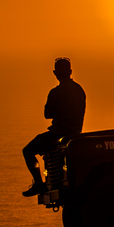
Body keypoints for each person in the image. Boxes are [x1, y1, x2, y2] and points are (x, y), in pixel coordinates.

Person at [22, 57, 86, 197]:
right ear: (70, 71)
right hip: (76, 131)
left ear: (55, 73)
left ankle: (39, 184)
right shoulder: (79, 90)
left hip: (58, 133)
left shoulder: (55, 92)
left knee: (28, 151)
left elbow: (47, 114)